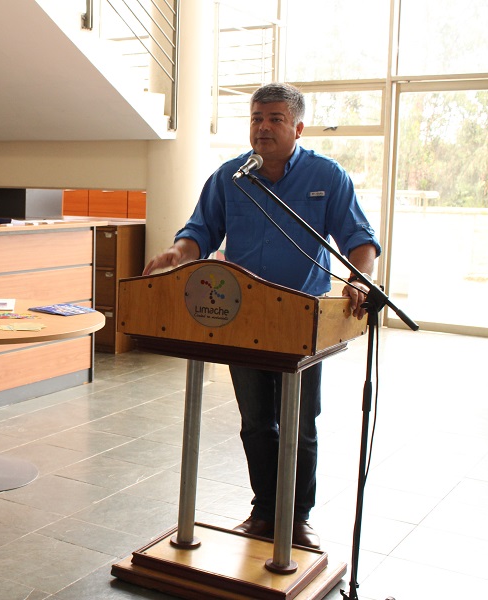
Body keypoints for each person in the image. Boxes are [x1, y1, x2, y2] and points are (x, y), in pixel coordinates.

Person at [143, 82, 380, 549]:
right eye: (256, 118)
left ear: (298, 127)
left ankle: (297, 517)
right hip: (241, 317)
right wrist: (178, 253)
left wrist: (359, 278)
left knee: (299, 424)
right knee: (256, 421)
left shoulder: (327, 176)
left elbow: (359, 240)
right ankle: (265, 510)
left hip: (301, 321)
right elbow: (199, 232)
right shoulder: (231, 177)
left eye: (274, 119)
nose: (263, 127)